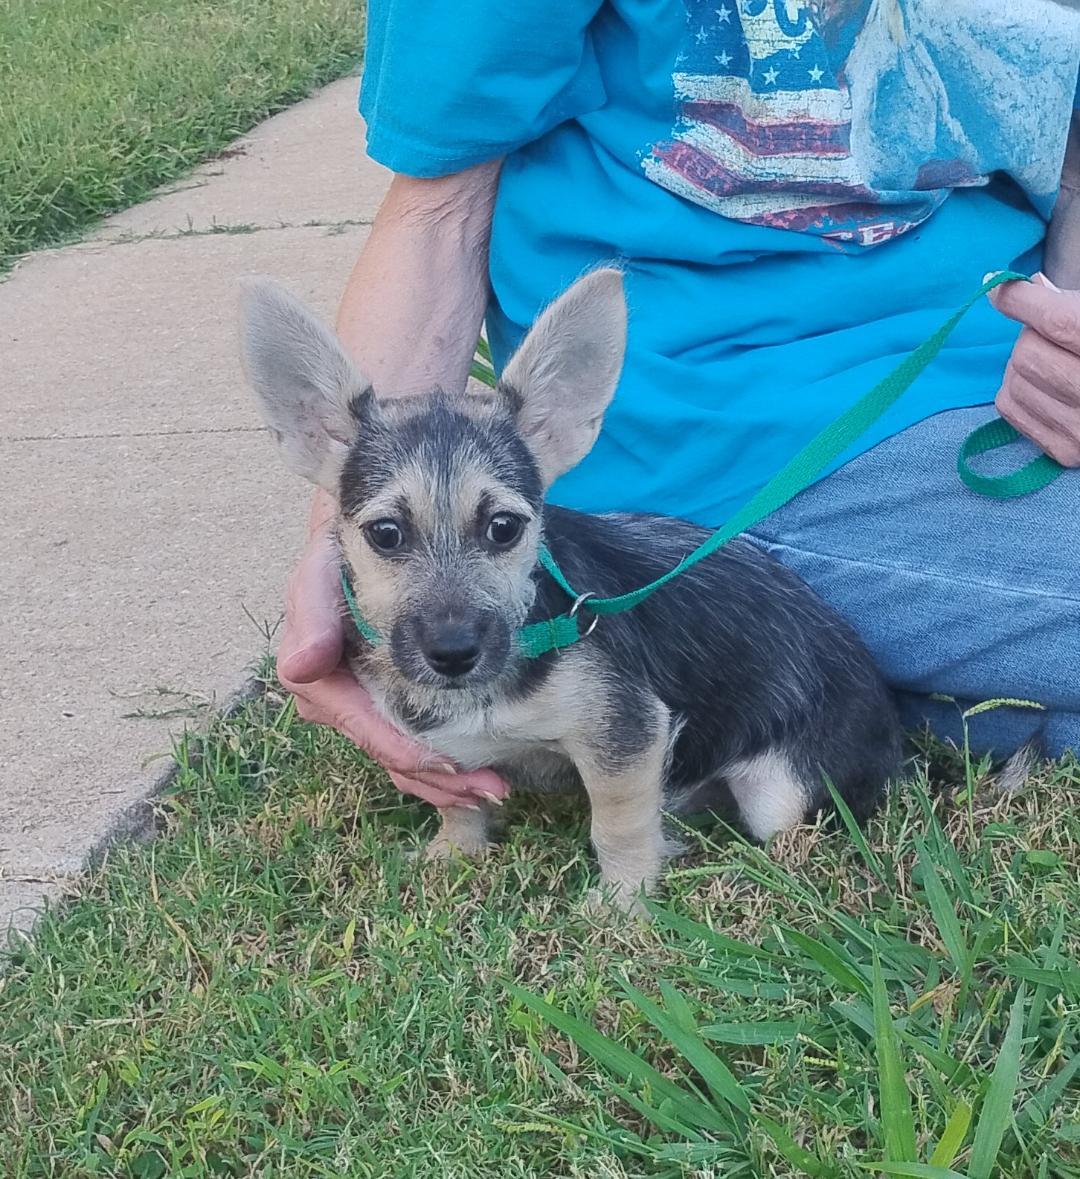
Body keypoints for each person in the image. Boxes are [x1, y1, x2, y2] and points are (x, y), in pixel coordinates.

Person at [278, 1, 1080, 810]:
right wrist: (341, 543)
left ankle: (831, 684)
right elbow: (438, 212)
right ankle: (782, 655)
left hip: (1004, 358)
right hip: (726, 432)